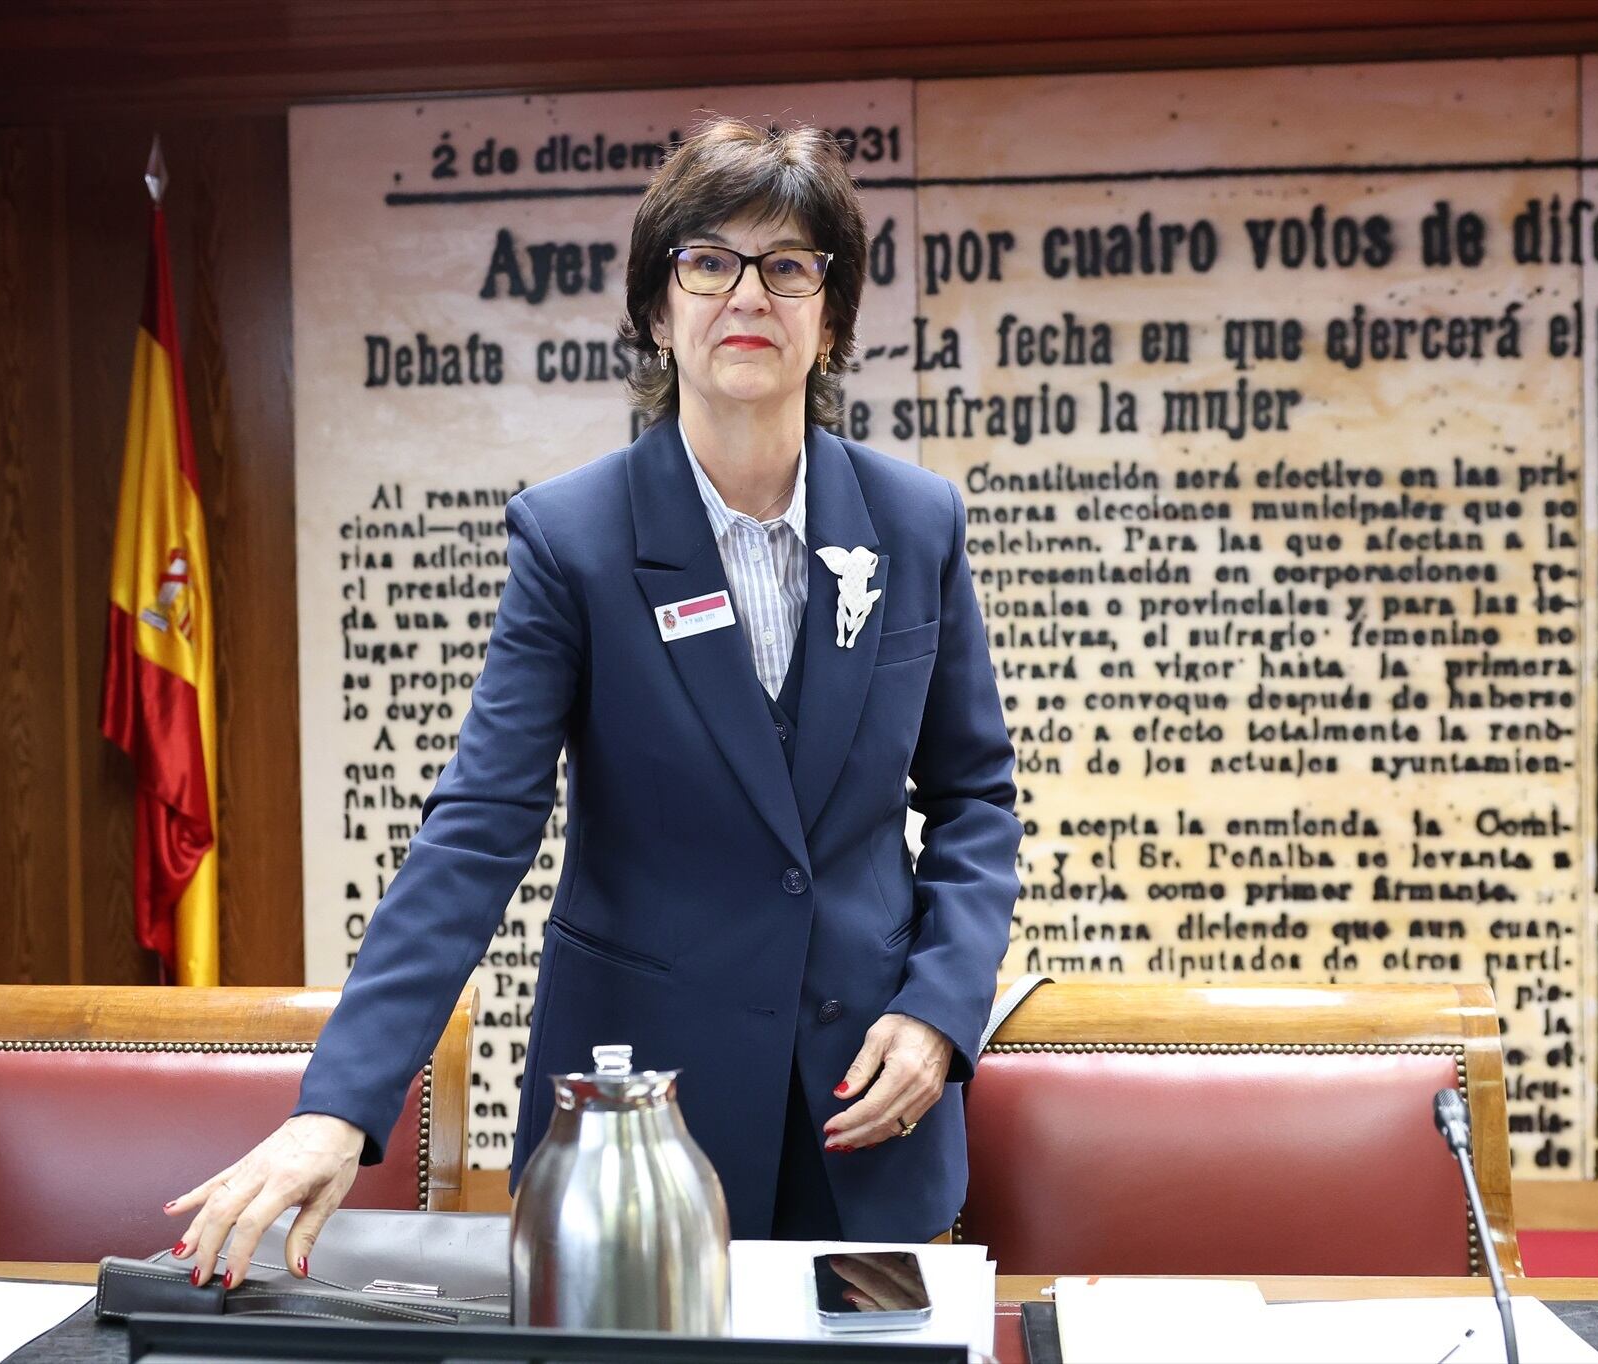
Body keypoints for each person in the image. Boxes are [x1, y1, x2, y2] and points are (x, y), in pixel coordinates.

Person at [166, 116, 1021, 1288]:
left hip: (868, 1106)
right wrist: (339, 1104)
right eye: (708, 263)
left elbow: (975, 800)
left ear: (830, 319)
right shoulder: (572, 539)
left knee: (869, 1354)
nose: (748, 295)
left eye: (787, 266)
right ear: (658, 310)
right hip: (640, 1127)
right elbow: (479, 826)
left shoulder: (917, 524)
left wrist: (938, 1010)